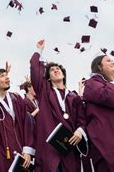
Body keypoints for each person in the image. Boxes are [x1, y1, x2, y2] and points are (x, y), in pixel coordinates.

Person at [30, 39, 87, 171]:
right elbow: (35, 70)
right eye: (52, 70)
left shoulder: (74, 97)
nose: (56, 70)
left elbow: (82, 119)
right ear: (48, 77)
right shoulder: (44, 91)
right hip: (50, 150)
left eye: (58, 69)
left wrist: (80, 131)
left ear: (63, 74)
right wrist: (39, 50)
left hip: (70, 150)